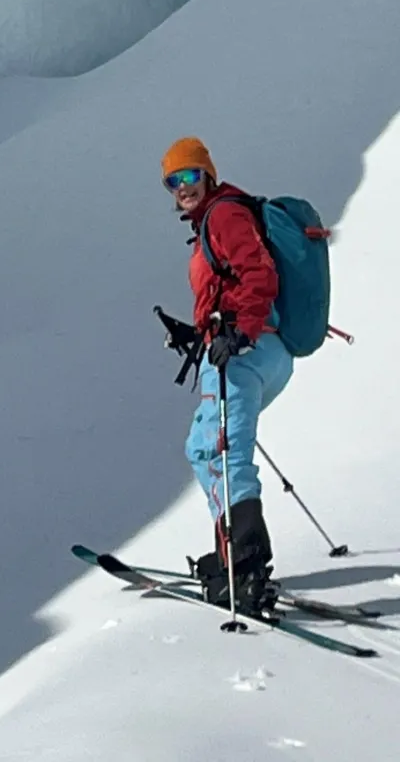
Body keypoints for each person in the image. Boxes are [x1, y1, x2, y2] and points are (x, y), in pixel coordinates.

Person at [162, 136, 294, 613]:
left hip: (248, 352)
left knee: (226, 455)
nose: (183, 186)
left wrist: (239, 331)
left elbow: (258, 273)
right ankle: (232, 553)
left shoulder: (224, 216)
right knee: (203, 448)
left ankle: (249, 570)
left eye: (191, 175)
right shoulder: (213, 221)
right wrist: (198, 332)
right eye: (173, 181)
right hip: (248, 350)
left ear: (208, 174)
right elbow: (231, 290)